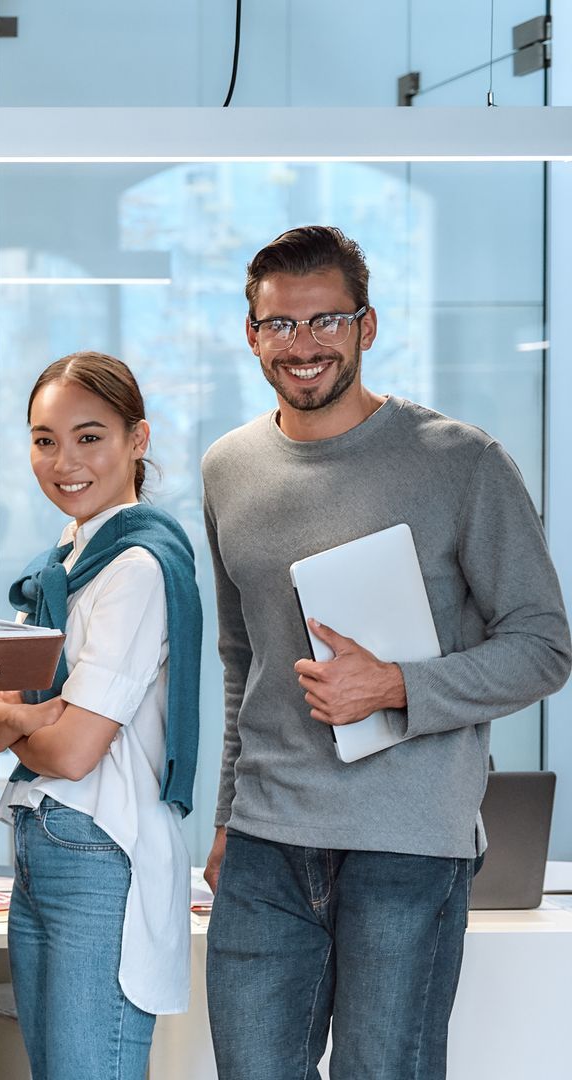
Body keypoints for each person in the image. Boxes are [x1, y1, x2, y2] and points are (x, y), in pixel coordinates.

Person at [202, 225, 572, 1079]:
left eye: (326, 320)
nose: (303, 344)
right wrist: (226, 818)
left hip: (408, 844)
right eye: (280, 324)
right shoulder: (229, 468)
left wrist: (397, 686)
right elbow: (239, 658)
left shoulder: (463, 462)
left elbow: (543, 647)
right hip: (264, 843)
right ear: (252, 334)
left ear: (366, 325)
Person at [0, 352, 201, 1080]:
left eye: (89, 437)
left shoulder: (135, 568)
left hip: (99, 848)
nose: (64, 461)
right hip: (45, 843)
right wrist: (35, 717)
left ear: (138, 439)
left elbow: (72, 753)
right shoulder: (62, 568)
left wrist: (23, 717)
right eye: (45, 440)